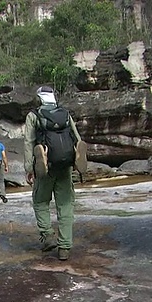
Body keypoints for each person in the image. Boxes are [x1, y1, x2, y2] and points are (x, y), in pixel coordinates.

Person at [23, 86, 86, 261]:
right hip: (65, 166)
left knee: (40, 201)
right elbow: (77, 138)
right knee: (65, 205)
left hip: (45, 167)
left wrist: (29, 168)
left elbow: (29, 143)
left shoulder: (33, 116)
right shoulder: (65, 114)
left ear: (39, 98)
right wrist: (74, 162)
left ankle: (48, 236)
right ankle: (65, 247)